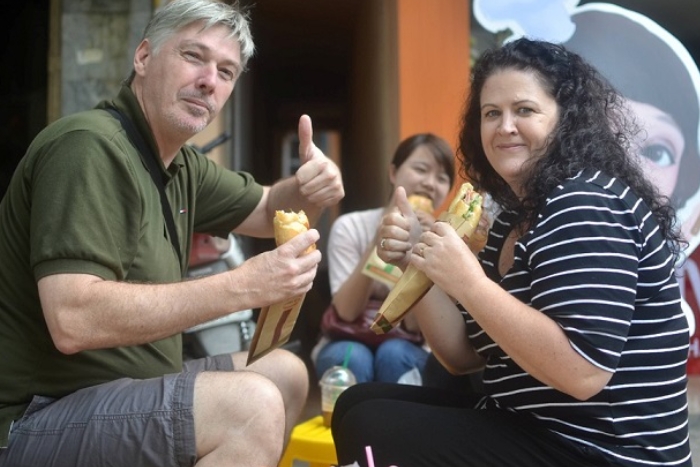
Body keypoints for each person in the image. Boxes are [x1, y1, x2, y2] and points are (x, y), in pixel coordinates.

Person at [0, 1, 344, 466]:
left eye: (226, 70)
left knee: (285, 373)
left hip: (125, 388)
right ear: (143, 57)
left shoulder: (179, 164)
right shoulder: (88, 147)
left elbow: (267, 209)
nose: (209, 80)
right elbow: (72, 319)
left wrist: (310, 188)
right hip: (39, 416)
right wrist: (244, 286)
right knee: (250, 408)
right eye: (193, 56)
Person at [331, 38, 692, 467]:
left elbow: (582, 372)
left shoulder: (585, 201)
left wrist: (467, 280)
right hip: (535, 426)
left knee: (372, 423)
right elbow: (462, 355)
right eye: (491, 113)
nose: (504, 127)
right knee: (358, 403)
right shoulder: (515, 216)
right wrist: (416, 256)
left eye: (524, 110)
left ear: (566, 120)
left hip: (606, 449)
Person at [311, 134, 454, 384]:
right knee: (352, 356)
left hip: (407, 346)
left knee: (393, 354)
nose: (430, 184)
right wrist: (378, 241)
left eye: (442, 178)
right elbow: (346, 311)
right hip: (348, 339)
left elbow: (413, 326)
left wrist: (421, 248)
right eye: (421, 169)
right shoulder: (350, 226)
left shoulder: (442, 240)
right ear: (393, 173)